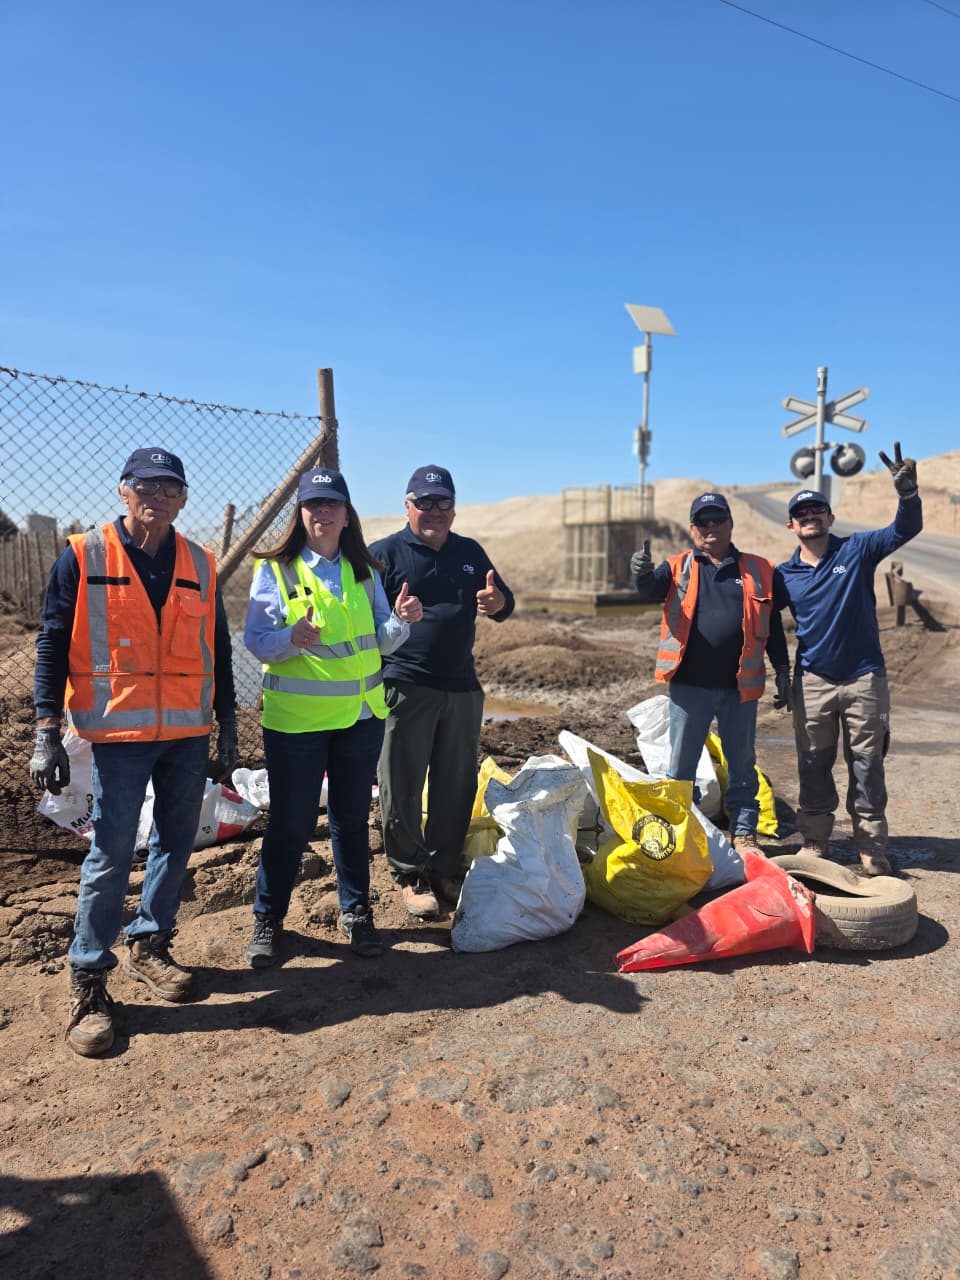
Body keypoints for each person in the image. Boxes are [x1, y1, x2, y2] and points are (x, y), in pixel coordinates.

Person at [30, 447, 237, 1058]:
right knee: (113, 848)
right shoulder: (84, 554)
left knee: (177, 840)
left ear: (183, 498)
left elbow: (217, 650)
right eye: (143, 485)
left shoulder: (201, 561)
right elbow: (50, 641)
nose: (156, 495)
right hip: (116, 736)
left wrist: (226, 724)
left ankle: (151, 943)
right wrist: (45, 731)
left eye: (169, 487)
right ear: (123, 491)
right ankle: (89, 981)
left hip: (185, 734)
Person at [243, 467, 423, 967]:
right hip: (298, 721)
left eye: (331, 504)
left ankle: (357, 913)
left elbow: (378, 641)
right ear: (301, 515)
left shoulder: (364, 572)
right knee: (291, 823)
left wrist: (401, 624)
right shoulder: (275, 570)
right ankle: (267, 919)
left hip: (361, 716)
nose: (321, 513)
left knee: (349, 820)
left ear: (347, 515)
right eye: (312, 505)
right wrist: (289, 640)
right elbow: (255, 640)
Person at [369, 466, 515, 918]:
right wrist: (396, 616)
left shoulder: (469, 552)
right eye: (424, 502)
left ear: (454, 509)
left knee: (456, 782)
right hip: (406, 684)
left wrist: (497, 604)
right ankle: (411, 872)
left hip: (462, 686)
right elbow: (367, 626)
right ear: (407, 505)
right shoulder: (383, 556)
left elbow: (504, 602)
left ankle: (445, 867)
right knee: (402, 782)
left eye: (443, 502)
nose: (434, 511)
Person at [774, 444, 923, 876]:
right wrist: (780, 674)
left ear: (830, 518)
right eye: (802, 514)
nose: (811, 517)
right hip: (814, 681)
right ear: (792, 525)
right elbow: (760, 621)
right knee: (813, 763)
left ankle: (872, 848)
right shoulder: (785, 576)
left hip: (863, 679)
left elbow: (902, 530)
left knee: (867, 763)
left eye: (818, 510)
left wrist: (908, 495)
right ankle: (816, 840)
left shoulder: (856, 550)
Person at [631, 492, 790, 855]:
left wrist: (783, 669)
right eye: (703, 521)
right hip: (690, 689)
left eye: (717, 519)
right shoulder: (676, 567)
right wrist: (639, 572)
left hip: (739, 689)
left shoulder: (759, 569)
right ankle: (680, 829)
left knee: (742, 765)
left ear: (731, 524)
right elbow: (648, 590)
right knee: (680, 767)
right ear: (692, 529)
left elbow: (774, 625)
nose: (710, 527)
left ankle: (745, 832)